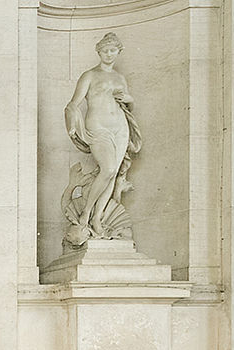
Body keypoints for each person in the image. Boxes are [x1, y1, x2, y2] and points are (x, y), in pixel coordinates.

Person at [63, 32, 140, 240]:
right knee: (107, 169)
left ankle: (98, 217)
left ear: (118, 51)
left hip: (120, 127)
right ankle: (86, 213)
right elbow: (73, 103)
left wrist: (128, 98)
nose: (109, 54)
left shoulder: (119, 78)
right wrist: (71, 124)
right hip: (98, 126)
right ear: (99, 52)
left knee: (112, 174)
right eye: (105, 50)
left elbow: (129, 106)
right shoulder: (89, 75)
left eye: (113, 50)